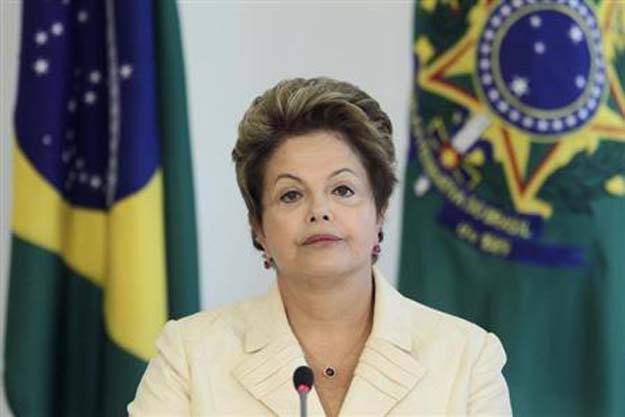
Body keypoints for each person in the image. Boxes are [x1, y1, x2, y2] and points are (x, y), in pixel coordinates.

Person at [127, 77, 512, 416]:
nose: (320, 211)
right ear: (258, 227)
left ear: (379, 213)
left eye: (342, 190)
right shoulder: (190, 356)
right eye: (291, 195)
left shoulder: (466, 357)